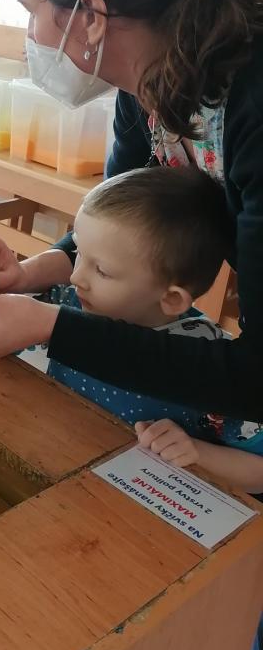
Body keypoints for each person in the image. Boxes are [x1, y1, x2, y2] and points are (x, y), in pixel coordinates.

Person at [0, 0, 263, 428]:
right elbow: (115, 225)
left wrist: (50, 327)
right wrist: (31, 272)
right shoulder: (147, 89)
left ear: (89, 15)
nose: (30, 37)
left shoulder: (251, 110)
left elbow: (255, 377)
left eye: (32, 11)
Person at [16, 166, 263, 492]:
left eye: (102, 270)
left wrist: (198, 452)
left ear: (171, 299)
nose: (75, 277)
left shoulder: (214, 367)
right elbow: (7, 318)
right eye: (78, 252)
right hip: (51, 468)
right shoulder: (72, 301)